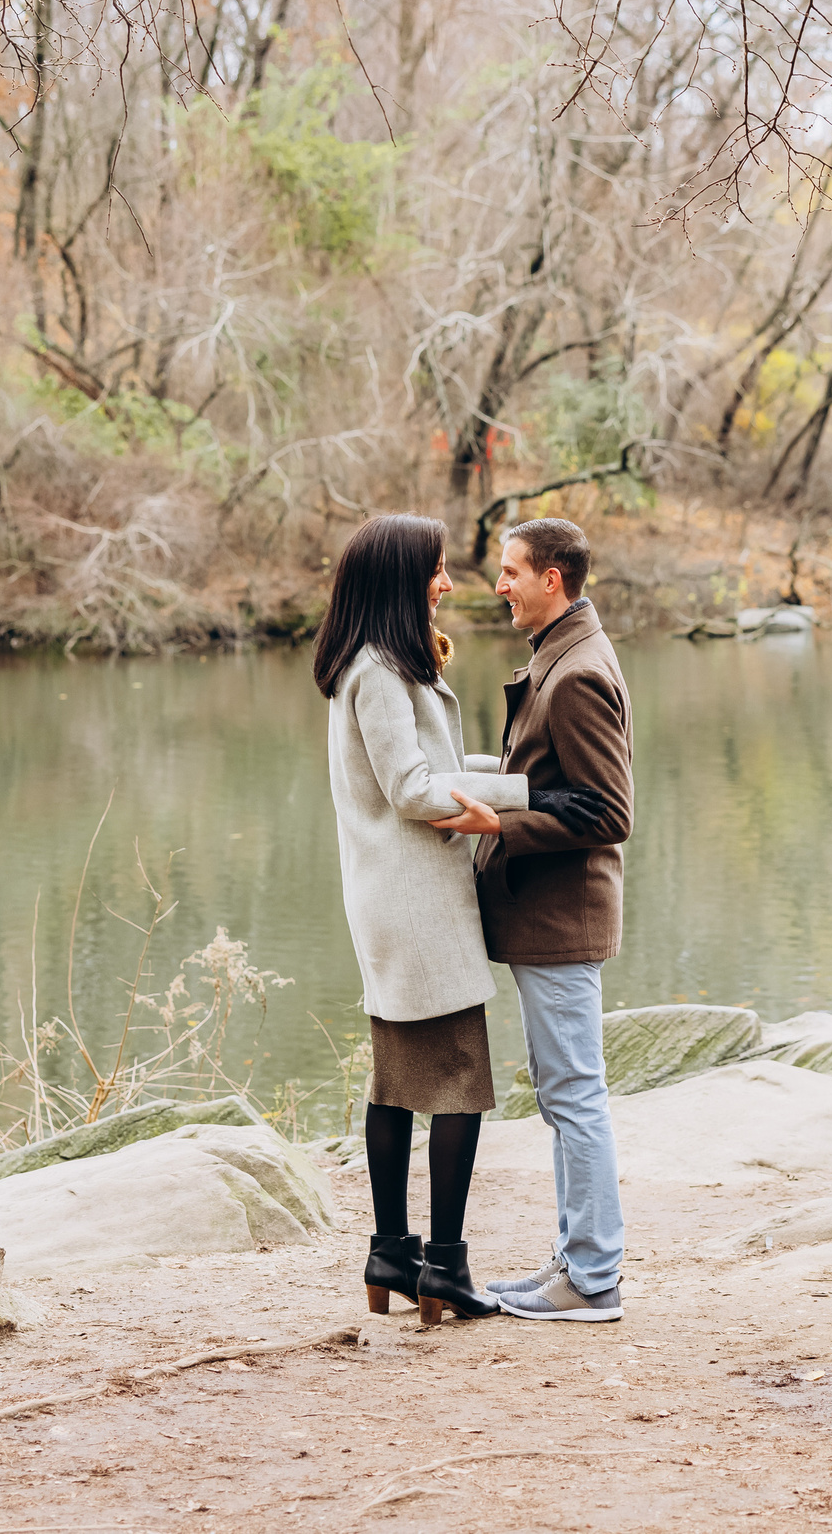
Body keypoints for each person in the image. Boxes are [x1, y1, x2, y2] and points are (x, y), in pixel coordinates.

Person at [312, 512, 591, 1324]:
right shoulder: (376, 672)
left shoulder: (380, 664)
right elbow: (413, 791)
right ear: (400, 578)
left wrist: (516, 778)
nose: (446, 582)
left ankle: (391, 1254)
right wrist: (528, 798)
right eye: (434, 570)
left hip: (397, 899)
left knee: (397, 1082)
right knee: (461, 1086)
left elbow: (431, 768)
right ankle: (444, 1266)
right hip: (416, 903)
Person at [428, 517, 633, 1322]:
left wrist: (498, 826)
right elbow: (544, 777)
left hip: (561, 920)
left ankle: (592, 1280)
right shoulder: (562, 652)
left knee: (575, 1097)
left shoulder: (578, 671)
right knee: (563, 1095)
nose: (500, 585)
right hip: (546, 918)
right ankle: (575, 1262)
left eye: (512, 572)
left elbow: (607, 812)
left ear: (553, 578)